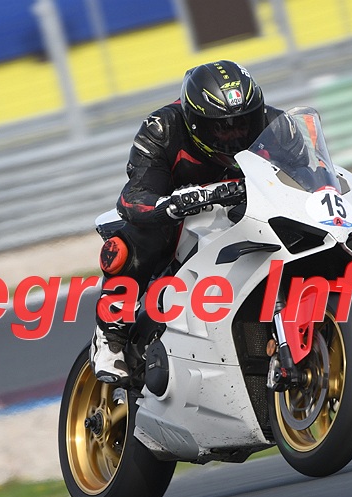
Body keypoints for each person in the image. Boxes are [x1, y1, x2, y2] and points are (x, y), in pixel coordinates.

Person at [91, 60, 282, 383]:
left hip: (250, 217)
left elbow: (313, 175)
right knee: (137, 239)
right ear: (195, 122)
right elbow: (134, 197)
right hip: (183, 226)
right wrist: (174, 204)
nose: (235, 134)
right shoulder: (162, 130)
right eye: (223, 127)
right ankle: (111, 336)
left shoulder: (275, 127)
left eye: (243, 123)